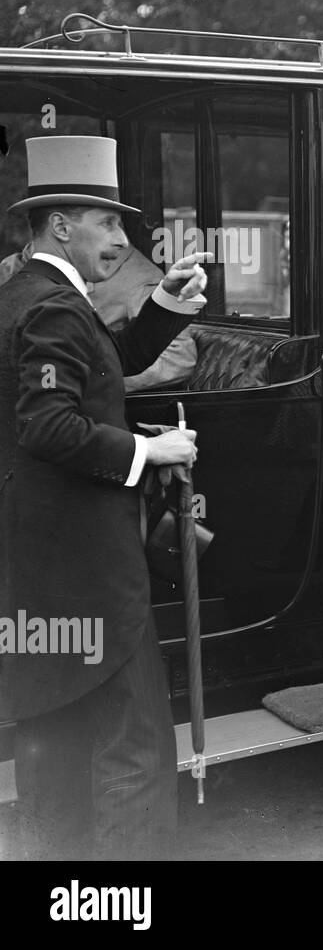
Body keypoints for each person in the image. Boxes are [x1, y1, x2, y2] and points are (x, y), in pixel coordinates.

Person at [0, 135, 208, 859]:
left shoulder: (25, 299)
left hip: (35, 581)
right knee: (136, 756)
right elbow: (50, 423)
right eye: (109, 222)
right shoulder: (56, 308)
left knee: (54, 754)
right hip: (92, 579)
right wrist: (150, 450)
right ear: (61, 225)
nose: (123, 238)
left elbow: (99, 370)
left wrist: (162, 306)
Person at [0, 240, 197, 391]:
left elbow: (177, 360)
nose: (120, 237)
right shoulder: (13, 266)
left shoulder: (138, 278)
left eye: (111, 222)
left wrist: (91, 385)